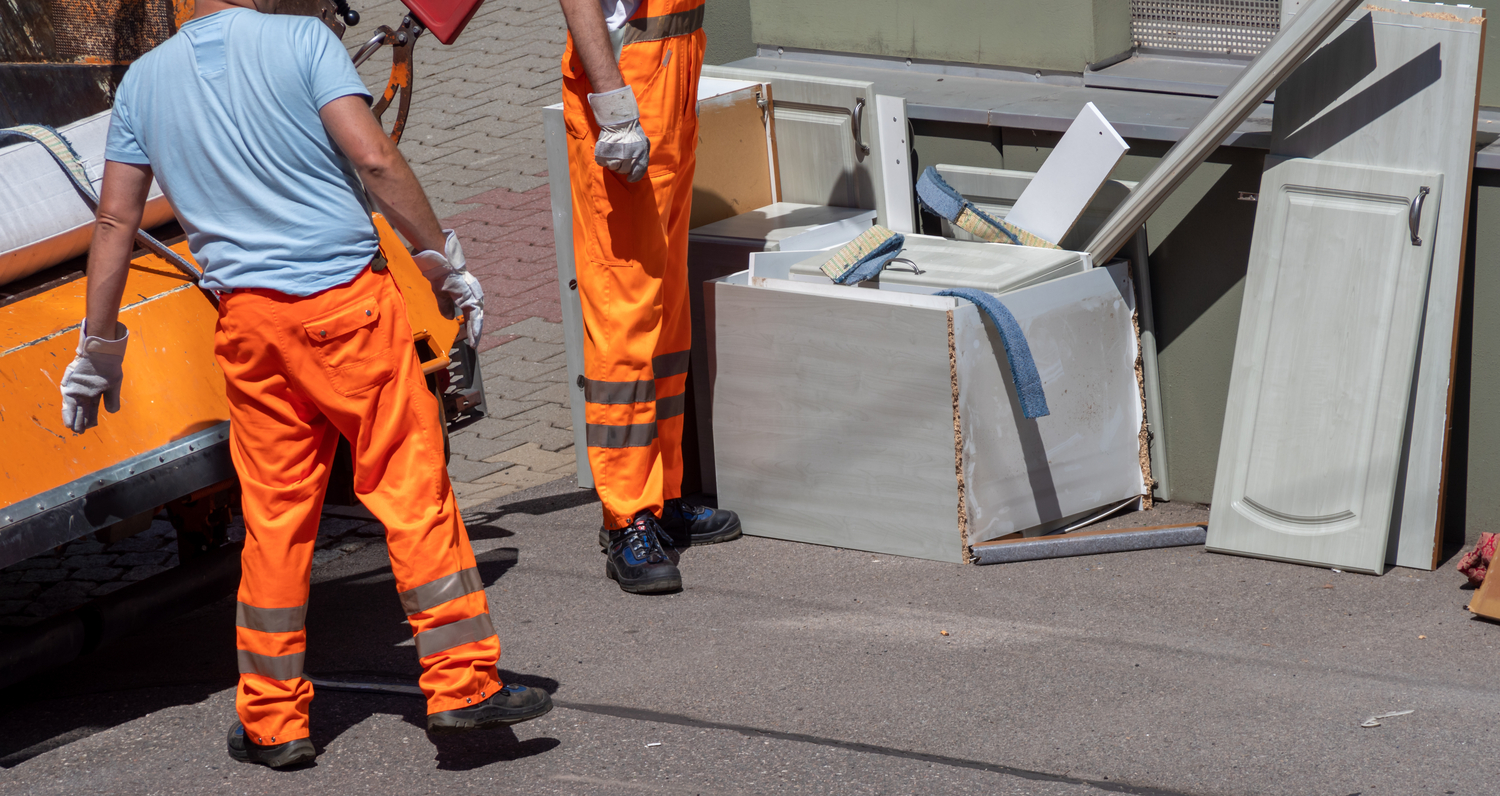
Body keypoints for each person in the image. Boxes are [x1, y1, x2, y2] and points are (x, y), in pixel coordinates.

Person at [57, 0, 550, 769]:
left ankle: (272, 719)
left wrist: (98, 343)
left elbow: (116, 222)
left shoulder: (143, 84)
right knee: (409, 488)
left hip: (249, 328)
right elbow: (376, 159)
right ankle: (461, 687)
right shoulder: (302, 41)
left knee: (277, 519)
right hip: (347, 312)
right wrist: (442, 260)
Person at [557, 0, 741, 595]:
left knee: (666, 312)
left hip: (669, 84)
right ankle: (626, 515)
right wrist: (613, 107)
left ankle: (660, 499)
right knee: (625, 310)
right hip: (630, 88)